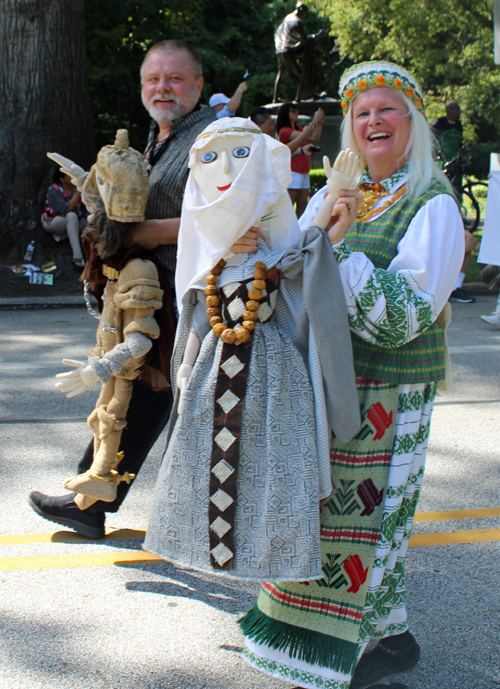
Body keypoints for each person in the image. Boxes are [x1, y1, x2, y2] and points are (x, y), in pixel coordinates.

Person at [239, 61, 464, 689]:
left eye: (387, 109)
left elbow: (406, 315)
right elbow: (290, 268)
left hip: (390, 383)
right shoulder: (335, 192)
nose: (372, 122)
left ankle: (368, 639)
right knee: (320, 512)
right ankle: (380, 635)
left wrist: (335, 253)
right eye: (362, 114)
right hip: (323, 379)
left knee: (371, 518)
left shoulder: (434, 203)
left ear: (414, 123)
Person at [144, 117, 360, 581]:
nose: (226, 169)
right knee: (205, 458)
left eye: (241, 154)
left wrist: (324, 226)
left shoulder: (274, 247)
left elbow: (298, 263)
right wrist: (185, 359)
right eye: (212, 158)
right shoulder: (212, 256)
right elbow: (200, 304)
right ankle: (209, 546)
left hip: (271, 370)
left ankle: (272, 552)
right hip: (214, 364)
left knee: (270, 463)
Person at [29, 40, 217, 539]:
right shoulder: (159, 140)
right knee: (142, 394)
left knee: (146, 393)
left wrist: (144, 234)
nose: (163, 87)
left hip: (187, 292)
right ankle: (90, 501)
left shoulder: (212, 141)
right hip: (147, 289)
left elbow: (227, 219)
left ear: (199, 85)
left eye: (176, 78)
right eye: (153, 79)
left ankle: (97, 502)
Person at [432, 102, 477, 303]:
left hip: (454, 170)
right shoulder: (439, 123)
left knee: (470, 240)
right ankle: (448, 283)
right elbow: (432, 141)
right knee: (466, 241)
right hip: (444, 168)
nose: (457, 112)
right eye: (454, 109)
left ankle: (454, 286)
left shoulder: (458, 126)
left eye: (459, 109)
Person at [276, 102, 324, 217]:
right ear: (286, 113)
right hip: (293, 170)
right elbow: (306, 134)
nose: (296, 112)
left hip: (303, 171)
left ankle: (300, 230)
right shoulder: (285, 130)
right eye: (293, 110)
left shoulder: (299, 129)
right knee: (290, 204)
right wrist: (315, 120)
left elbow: (314, 137)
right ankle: (287, 231)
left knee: (303, 205)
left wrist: (320, 123)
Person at [273, 3, 323, 103]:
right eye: (304, 12)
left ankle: (275, 98)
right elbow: (304, 39)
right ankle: (309, 95)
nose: (304, 15)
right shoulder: (297, 21)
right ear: (300, 9)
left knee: (281, 74)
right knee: (302, 73)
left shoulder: (287, 18)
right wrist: (316, 36)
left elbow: (279, 34)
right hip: (287, 51)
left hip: (280, 50)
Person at [41, 167, 87, 269]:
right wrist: (78, 193)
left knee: (91, 222)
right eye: (69, 175)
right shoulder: (54, 190)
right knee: (71, 215)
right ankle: (78, 258)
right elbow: (64, 211)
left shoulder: (76, 189)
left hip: (74, 222)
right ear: (62, 179)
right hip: (53, 222)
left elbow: (84, 210)